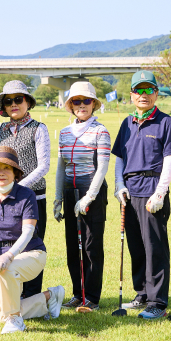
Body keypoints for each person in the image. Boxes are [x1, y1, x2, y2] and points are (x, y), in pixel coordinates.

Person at [0, 147, 65, 334]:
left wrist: (9, 256)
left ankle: (16, 321)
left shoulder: (27, 195)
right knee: (1, 317)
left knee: (6, 269)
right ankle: (50, 296)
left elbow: (28, 232)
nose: (1, 172)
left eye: (6, 168)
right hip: (3, 259)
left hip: (32, 254)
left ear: (15, 173)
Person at [112, 70, 171, 320]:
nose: (143, 95)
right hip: (129, 192)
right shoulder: (127, 123)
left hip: (153, 190)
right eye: (138, 90)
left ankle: (157, 301)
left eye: (148, 90)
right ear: (131, 95)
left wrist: (161, 192)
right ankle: (142, 292)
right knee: (136, 246)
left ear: (156, 93)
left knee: (155, 247)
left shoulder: (165, 122)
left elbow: (169, 160)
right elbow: (120, 157)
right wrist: (118, 185)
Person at [52, 82, 111, 311]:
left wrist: (89, 198)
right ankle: (78, 293)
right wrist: (58, 198)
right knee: (72, 246)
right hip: (70, 192)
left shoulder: (101, 131)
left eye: (87, 101)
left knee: (90, 246)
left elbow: (103, 167)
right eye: (77, 101)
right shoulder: (65, 132)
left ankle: (92, 298)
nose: (82, 105)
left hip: (92, 193)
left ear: (94, 104)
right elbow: (60, 167)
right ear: (71, 106)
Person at [0, 80, 51, 300]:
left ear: (27, 102)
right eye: (9, 101)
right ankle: (12, 295)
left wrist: (17, 188)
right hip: (7, 200)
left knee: (32, 248)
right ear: (4, 107)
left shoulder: (39, 128)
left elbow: (43, 166)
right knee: (9, 245)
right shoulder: (2, 129)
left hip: (34, 198)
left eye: (19, 99)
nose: (14, 104)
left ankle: (33, 297)